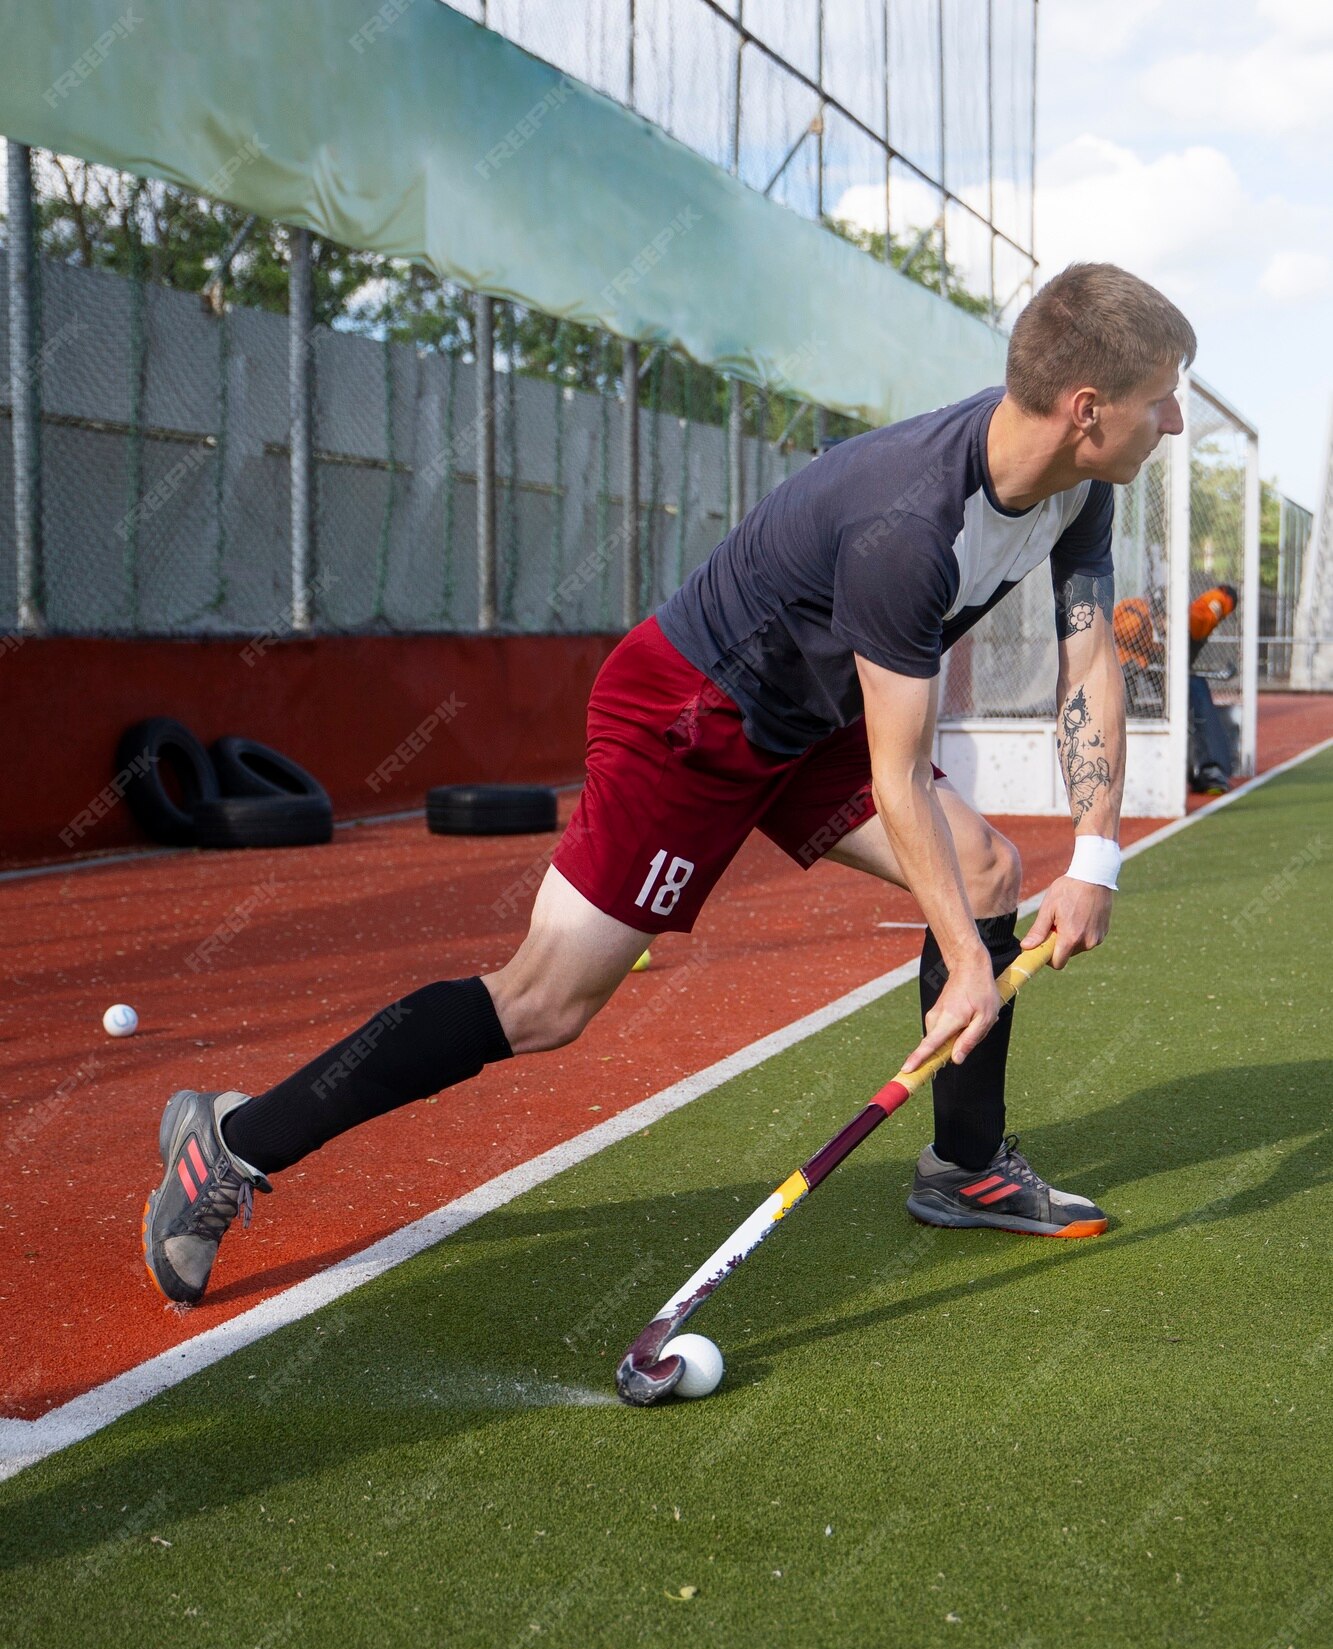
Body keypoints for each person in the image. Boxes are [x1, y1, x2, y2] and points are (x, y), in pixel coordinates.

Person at [142, 262, 1195, 1313]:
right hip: (691, 715)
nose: (1178, 420)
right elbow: (894, 771)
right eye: (1163, 396)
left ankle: (963, 1168)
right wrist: (968, 962)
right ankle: (231, 1143)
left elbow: (1089, 658)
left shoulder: (1076, 489)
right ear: (1086, 409)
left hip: (814, 713)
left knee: (987, 868)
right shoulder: (906, 528)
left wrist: (1095, 853)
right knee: (546, 1001)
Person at [1187, 582, 1239, 793]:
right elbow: (1199, 623)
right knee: (1199, 695)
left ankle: (1203, 765)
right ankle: (1211, 767)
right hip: (1157, 666)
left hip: (1150, 667)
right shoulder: (1219, 600)